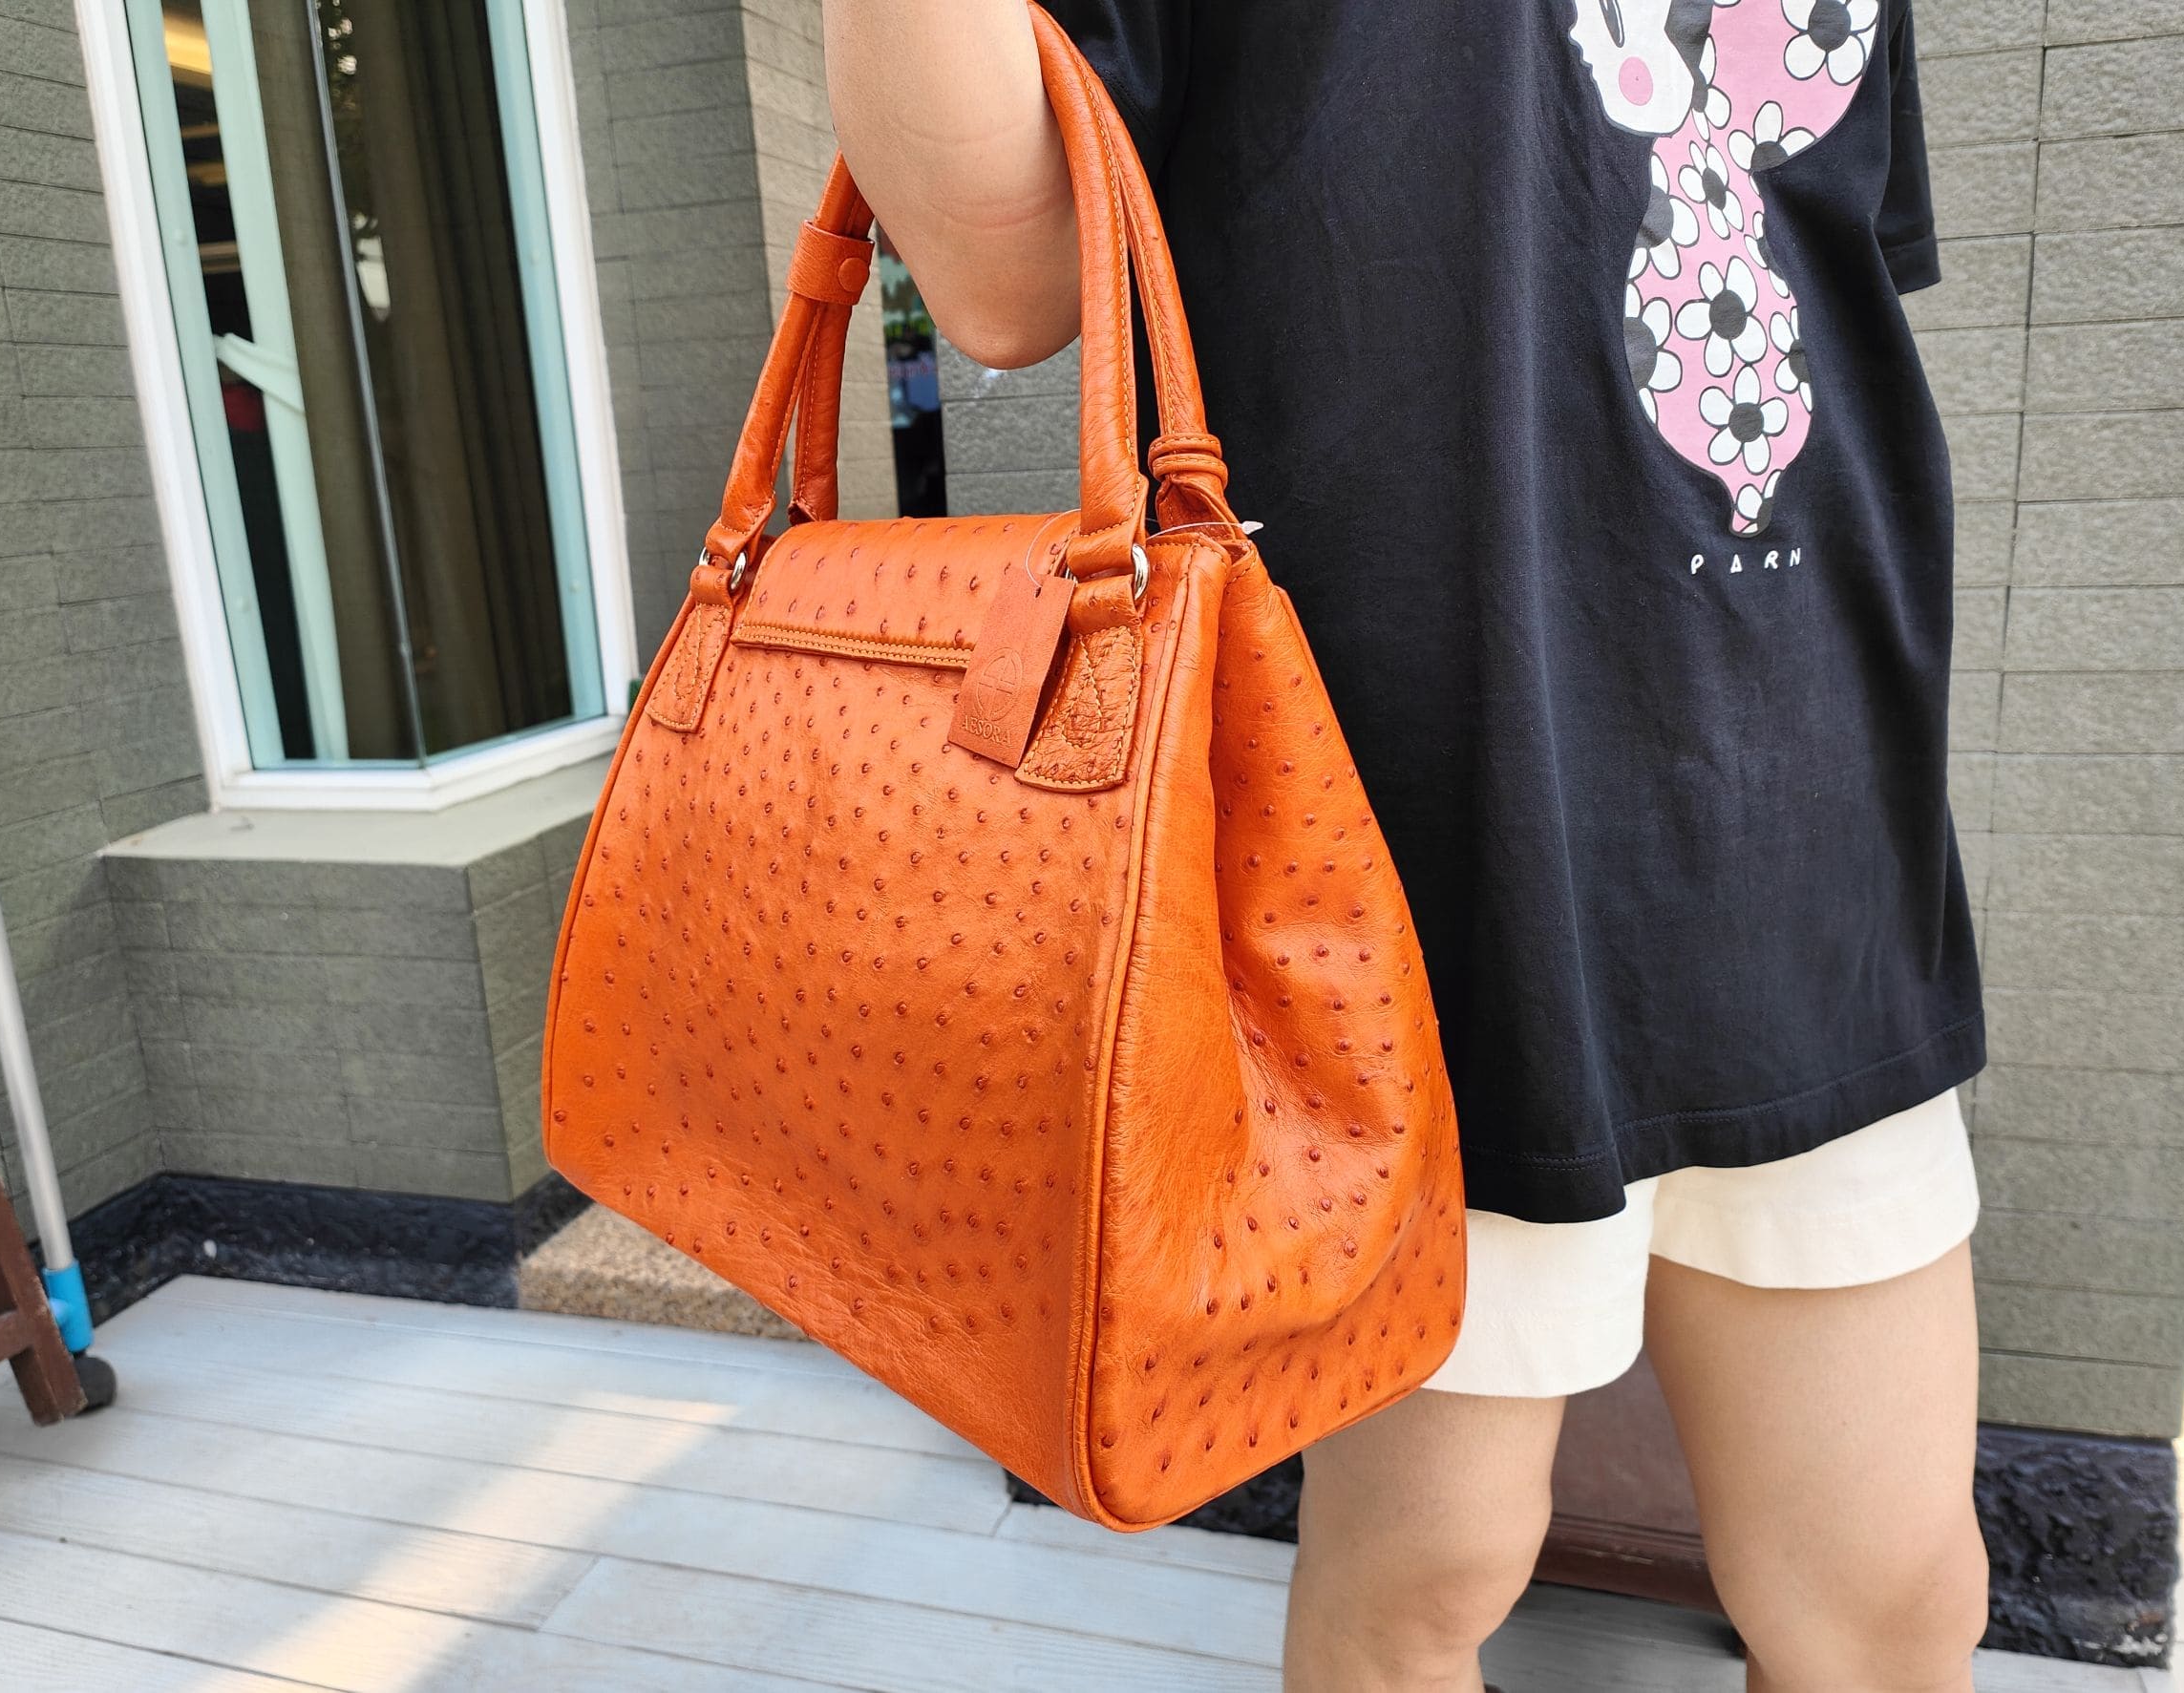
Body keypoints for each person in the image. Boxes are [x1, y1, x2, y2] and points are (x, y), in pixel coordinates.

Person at [821, 2, 1988, 1688]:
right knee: (1425, 1582)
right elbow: (1007, 278)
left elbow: (1833, 251)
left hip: (1805, 807)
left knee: (1893, 1595)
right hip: (1403, 864)